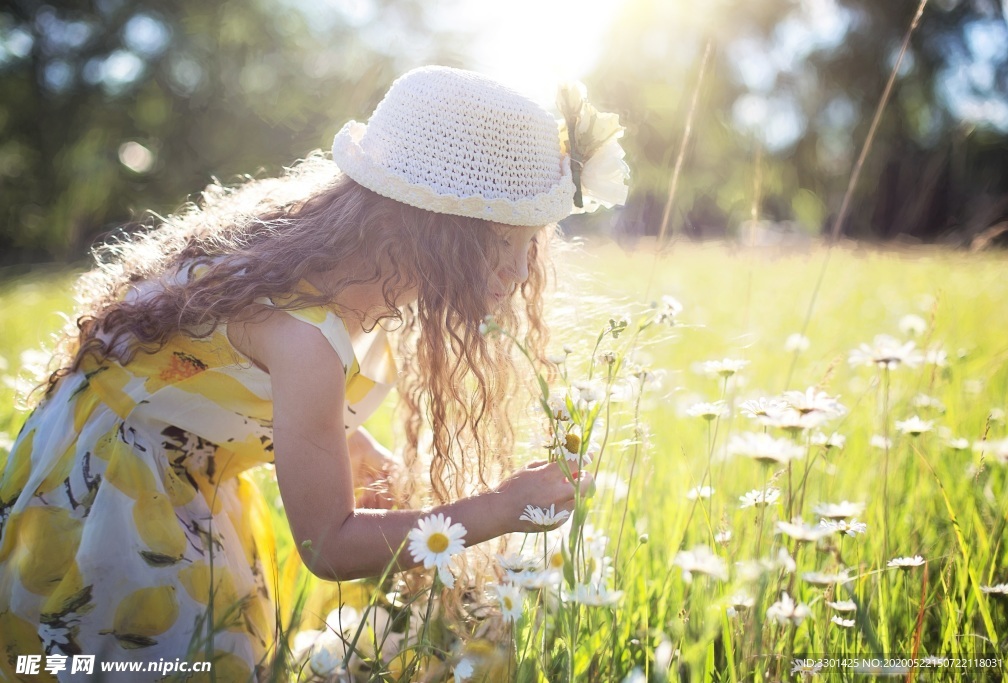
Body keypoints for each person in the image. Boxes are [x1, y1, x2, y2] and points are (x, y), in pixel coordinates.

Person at [0, 65, 626, 681]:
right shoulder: (306, 334)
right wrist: (501, 506)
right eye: (504, 246)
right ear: (431, 232)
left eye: (530, 246)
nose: (521, 274)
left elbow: (215, 376)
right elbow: (328, 547)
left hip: (180, 460)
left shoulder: (339, 263)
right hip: (111, 488)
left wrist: (349, 444)